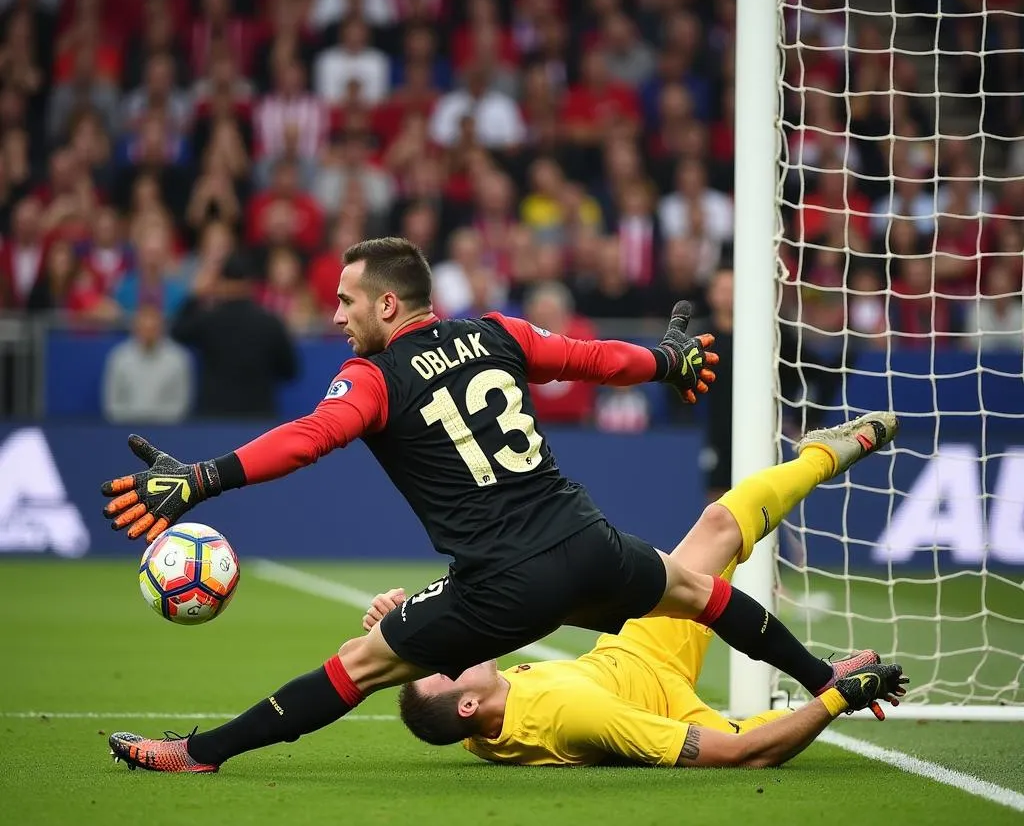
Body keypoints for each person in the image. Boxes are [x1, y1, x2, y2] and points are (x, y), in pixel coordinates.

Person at [102, 237, 899, 773]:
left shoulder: (374, 378)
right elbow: (589, 359)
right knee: (698, 590)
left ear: (389, 307)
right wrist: (665, 361)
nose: (337, 316)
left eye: (347, 301)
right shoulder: (496, 332)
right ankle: (820, 671)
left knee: (359, 665)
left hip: (503, 583)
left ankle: (198, 752)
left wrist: (203, 479)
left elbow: (311, 438)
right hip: (586, 540)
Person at [369, 442, 907, 767]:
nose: (448, 652)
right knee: (745, 740)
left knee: (717, 523)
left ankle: (824, 454)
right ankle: (832, 684)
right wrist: (835, 702)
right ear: (467, 704)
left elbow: (434, 650)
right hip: (664, 707)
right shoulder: (572, 717)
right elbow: (742, 757)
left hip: (636, 642)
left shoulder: (475, 723)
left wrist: (392, 624)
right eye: (444, 667)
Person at [170, 252, 298, 418]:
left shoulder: (208, 319)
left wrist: (194, 295)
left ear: (222, 282)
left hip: (214, 420)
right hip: (259, 420)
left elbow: (177, 332)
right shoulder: (270, 323)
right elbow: (290, 371)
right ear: (251, 284)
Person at [102, 305, 192, 424]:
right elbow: (112, 404)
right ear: (135, 329)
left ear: (161, 329)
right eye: (144, 329)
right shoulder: (120, 358)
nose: (148, 334)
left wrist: (153, 420)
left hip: (167, 429)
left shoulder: (178, 358)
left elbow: (181, 405)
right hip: (127, 428)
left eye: (153, 329)